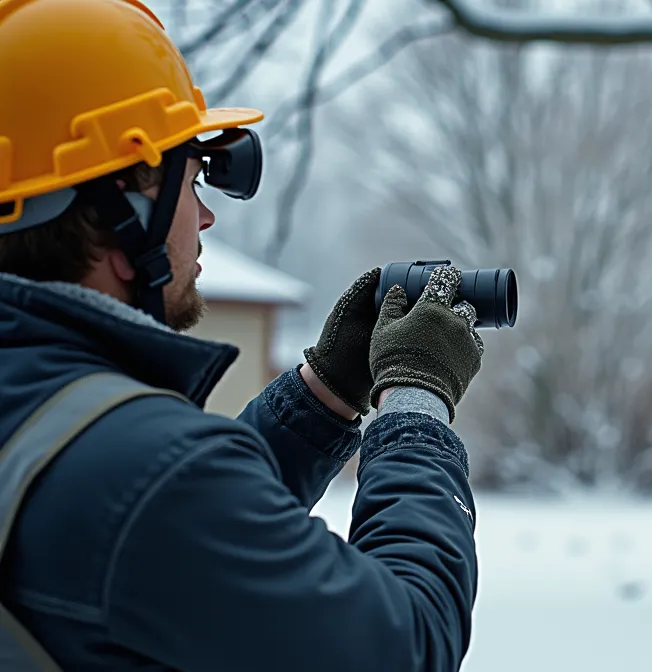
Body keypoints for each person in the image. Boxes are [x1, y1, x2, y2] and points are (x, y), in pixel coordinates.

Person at [0, 0, 486, 669]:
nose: (203, 218)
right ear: (117, 217)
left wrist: (324, 391)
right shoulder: (142, 475)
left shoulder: (49, 427)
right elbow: (405, 643)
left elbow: (168, 545)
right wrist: (416, 400)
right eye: (189, 182)